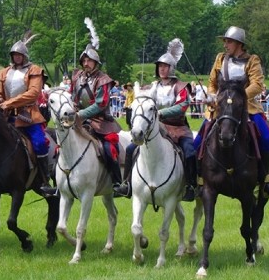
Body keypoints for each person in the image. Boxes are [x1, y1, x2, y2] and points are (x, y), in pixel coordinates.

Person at [193, 26, 269, 196]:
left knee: (267, 138)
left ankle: (265, 178)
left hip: (247, 108)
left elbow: (257, 84)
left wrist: (238, 99)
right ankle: (198, 179)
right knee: (197, 143)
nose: (225, 44)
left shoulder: (252, 60)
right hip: (219, 109)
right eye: (225, 41)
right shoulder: (220, 59)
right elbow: (212, 83)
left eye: (229, 41)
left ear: (239, 43)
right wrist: (211, 95)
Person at [116, 39, 197, 201]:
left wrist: (160, 114)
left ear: (172, 68)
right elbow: (142, 100)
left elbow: (182, 107)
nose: (162, 69)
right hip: (155, 128)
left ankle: (190, 186)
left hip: (178, 129)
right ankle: (127, 184)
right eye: (160, 66)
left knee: (189, 152)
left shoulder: (181, 87)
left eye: (165, 66)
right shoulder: (152, 86)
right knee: (132, 149)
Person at [0, 34, 56, 196]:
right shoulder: (4, 72)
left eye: (19, 55)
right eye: (14, 55)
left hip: (28, 116)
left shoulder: (34, 71)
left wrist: (9, 102)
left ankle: (44, 180)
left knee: (39, 143)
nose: (16, 57)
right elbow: (0, 93)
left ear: (25, 56)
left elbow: (33, 94)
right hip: (7, 117)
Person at [71, 18, 126, 197]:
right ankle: (59, 184)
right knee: (61, 145)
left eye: (89, 60)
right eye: (84, 60)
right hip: (78, 120)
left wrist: (79, 114)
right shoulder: (77, 77)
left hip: (101, 123)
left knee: (108, 150)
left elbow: (101, 104)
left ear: (95, 62)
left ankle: (118, 183)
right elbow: (74, 97)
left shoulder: (104, 80)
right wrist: (72, 111)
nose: (86, 63)